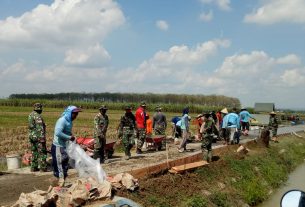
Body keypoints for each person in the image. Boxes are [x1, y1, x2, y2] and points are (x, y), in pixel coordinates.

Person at [51, 105, 81, 186]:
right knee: (59, 166)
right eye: (74, 113)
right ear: (69, 113)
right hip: (58, 146)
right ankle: (58, 186)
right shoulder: (62, 120)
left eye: (77, 114)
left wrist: (73, 138)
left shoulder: (69, 121)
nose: (76, 116)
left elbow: (67, 132)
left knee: (64, 165)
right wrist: (69, 137)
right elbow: (58, 133)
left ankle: (61, 184)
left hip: (64, 146)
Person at [28, 103, 47, 172]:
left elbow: (31, 126)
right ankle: (43, 167)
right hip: (38, 137)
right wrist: (42, 138)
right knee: (42, 152)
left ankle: (34, 167)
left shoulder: (30, 115)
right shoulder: (38, 116)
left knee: (34, 152)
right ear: (40, 109)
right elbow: (40, 128)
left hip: (31, 136)